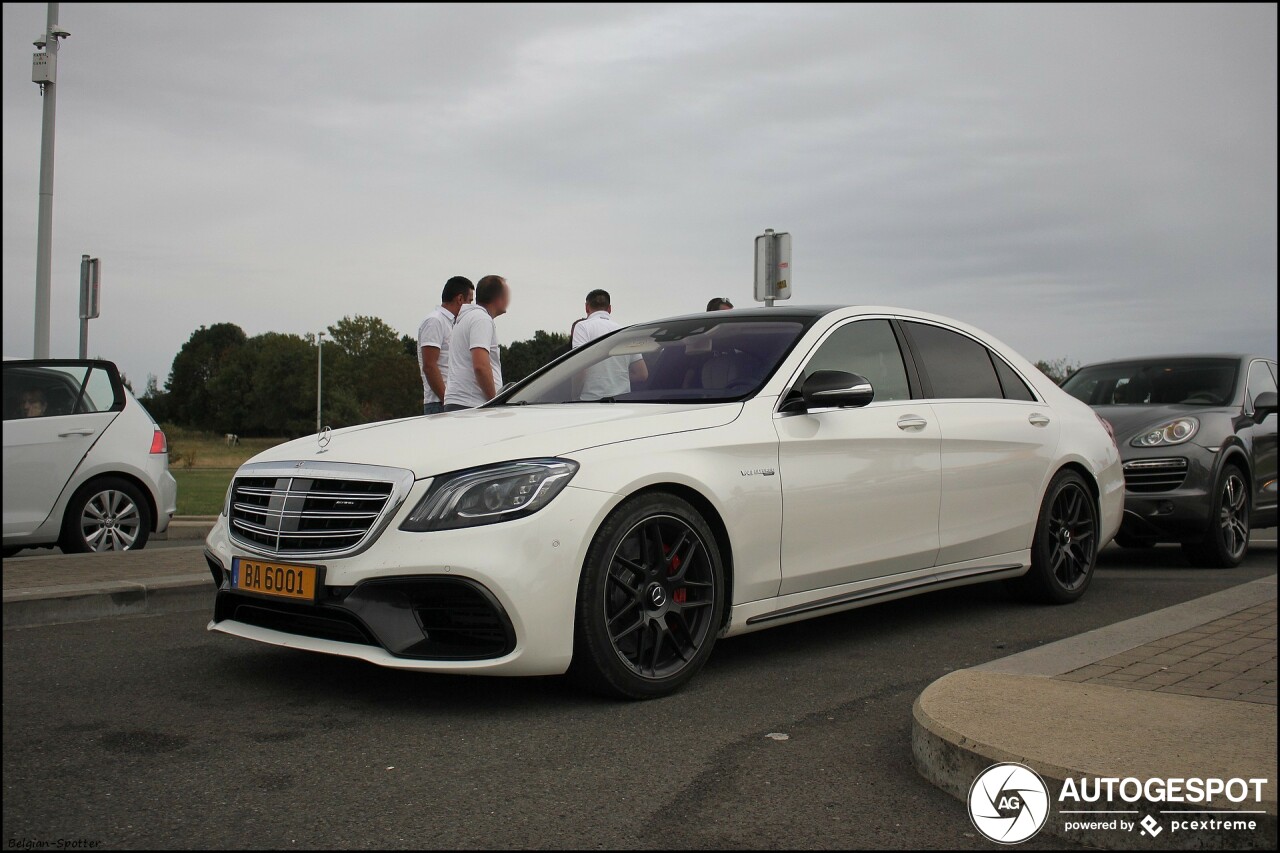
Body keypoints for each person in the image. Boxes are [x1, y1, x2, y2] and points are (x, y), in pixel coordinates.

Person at [444, 275, 509, 411]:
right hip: (472, 405)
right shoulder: (481, 319)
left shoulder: (466, 318)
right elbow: (480, 366)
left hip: (460, 403)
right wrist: (495, 401)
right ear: (498, 298)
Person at [571, 289, 648, 400]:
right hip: (623, 400)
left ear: (587, 307)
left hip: (591, 400)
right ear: (610, 309)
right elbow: (642, 374)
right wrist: (616, 378)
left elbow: (580, 367)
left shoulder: (582, 327)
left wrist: (574, 395)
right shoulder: (626, 332)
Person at [417, 276, 474, 415]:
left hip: (452, 402)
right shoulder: (435, 321)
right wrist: (447, 400)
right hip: (440, 403)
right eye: (470, 301)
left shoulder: (454, 324)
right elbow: (429, 366)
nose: (472, 306)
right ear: (460, 299)